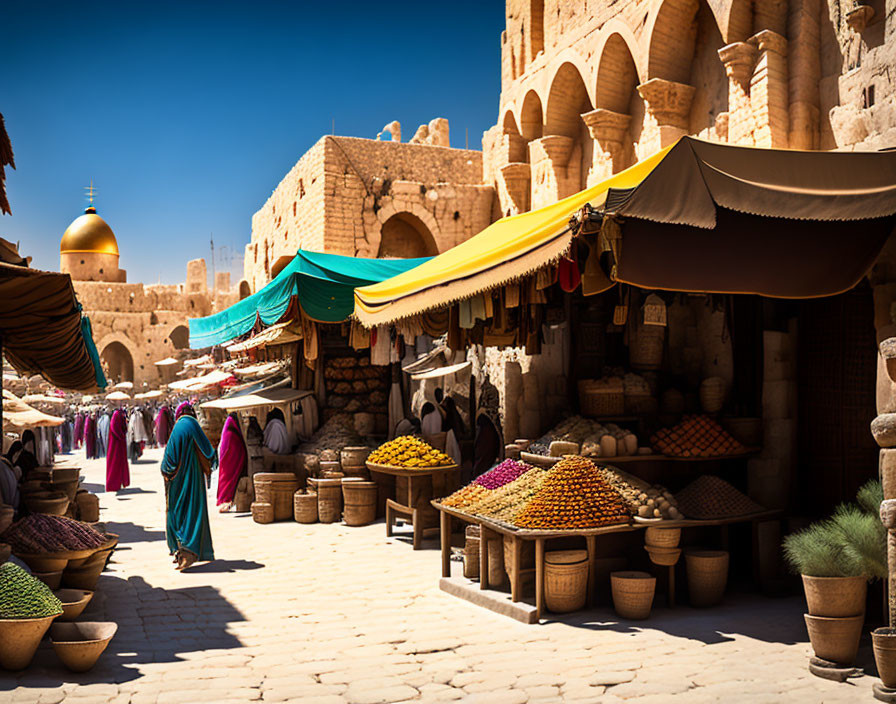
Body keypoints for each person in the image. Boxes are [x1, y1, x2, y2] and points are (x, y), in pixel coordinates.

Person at [161, 411, 216, 570]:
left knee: (176, 512)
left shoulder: (178, 428)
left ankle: (179, 549)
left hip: (174, 480)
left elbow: (167, 463)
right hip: (193, 481)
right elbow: (209, 452)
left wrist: (168, 474)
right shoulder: (192, 426)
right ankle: (189, 550)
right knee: (192, 512)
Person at [216, 413, 247, 511]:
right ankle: (226, 500)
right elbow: (236, 449)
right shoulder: (232, 434)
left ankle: (224, 500)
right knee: (229, 481)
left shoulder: (228, 432)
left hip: (225, 463)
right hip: (230, 462)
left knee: (224, 480)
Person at [106, 408, 130, 492]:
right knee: (115, 463)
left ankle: (119, 482)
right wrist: (121, 436)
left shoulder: (119, 414)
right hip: (116, 443)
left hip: (120, 442)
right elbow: (114, 427)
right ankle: (113, 485)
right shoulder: (116, 415)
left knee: (119, 463)